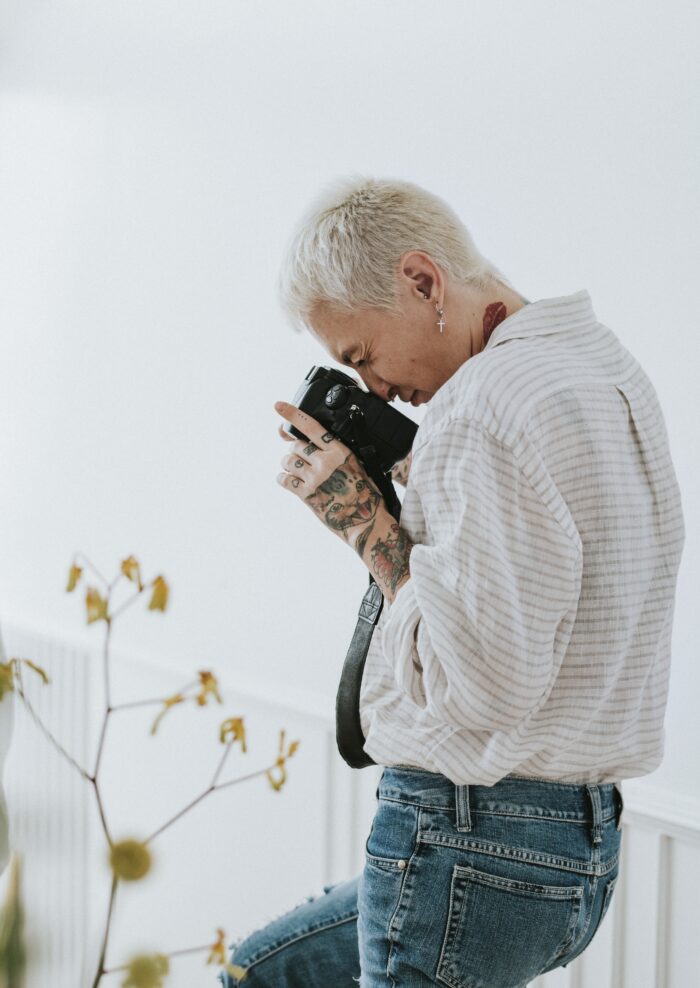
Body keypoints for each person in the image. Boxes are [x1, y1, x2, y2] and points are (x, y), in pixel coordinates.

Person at [218, 176, 686, 987]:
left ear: (424, 282)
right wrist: (415, 473)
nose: (373, 389)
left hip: (469, 836)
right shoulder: (603, 365)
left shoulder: (479, 409)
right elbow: (544, 574)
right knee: (266, 975)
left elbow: (482, 685)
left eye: (362, 356)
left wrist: (370, 528)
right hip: (576, 848)